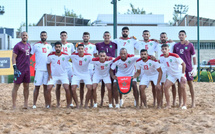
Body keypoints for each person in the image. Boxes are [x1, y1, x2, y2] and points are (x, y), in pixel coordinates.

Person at [113, 26, 138, 107]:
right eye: (123, 31)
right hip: (121, 65)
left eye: (126, 31)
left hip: (130, 63)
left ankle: (136, 101)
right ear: (121, 32)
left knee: (134, 84)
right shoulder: (117, 40)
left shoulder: (132, 40)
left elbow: (142, 43)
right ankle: (119, 100)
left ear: (128, 32)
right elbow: (108, 42)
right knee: (117, 84)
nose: (125, 33)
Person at [173, 30, 197, 108]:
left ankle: (193, 102)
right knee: (180, 85)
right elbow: (174, 57)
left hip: (188, 67)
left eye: (182, 35)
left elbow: (194, 56)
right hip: (179, 68)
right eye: (180, 35)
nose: (181, 36)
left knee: (190, 84)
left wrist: (195, 67)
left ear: (185, 36)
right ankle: (180, 102)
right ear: (178, 36)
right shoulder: (176, 45)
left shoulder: (190, 45)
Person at [135, 30, 159, 106]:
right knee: (142, 86)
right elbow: (131, 43)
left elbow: (162, 43)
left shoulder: (154, 43)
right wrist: (133, 37)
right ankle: (142, 103)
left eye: (147, 34)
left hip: (152, 64)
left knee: (154, 86)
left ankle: (155, 101)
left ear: (149, 35)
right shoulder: (139, 43)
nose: (146, 35)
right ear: (142, 35)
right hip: (143, 65)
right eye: (144, 34)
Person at [160, 44, 187, 109]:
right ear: (161, 50)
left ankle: (184, 104)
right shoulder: (161, 57)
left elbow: (183, 64)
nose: (164, 50)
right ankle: (168, 104)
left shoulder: (174, 56)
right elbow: (159, 62)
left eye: (165, 49)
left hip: (179, 73)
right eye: (163, 49)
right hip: (171, 74)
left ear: (168, 50)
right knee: (166, 87)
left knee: (183, 87)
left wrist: (183, 75)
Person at [95, 31, 117, 106]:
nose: (107, 37)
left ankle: (112, 101)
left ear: (110, 37)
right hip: (102, 66)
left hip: (111, 66)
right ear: (103, 37)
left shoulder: (114, 44)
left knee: (112, 85)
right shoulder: (99, 45)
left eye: (108, 36)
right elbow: (93, 51)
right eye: (105, 36)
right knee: (103, 85)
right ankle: (101, 100)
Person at [31, 31, 52, 109]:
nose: (43, 36)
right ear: (40, 36)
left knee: (46, 88)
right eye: (42, 35)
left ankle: (47, 104)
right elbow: (30, 55)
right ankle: (34, 104)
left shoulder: (49, 46)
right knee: (37, 87)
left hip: (47, 70)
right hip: (38, 69)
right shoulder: (36, 45)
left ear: (47, 36)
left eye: (45, 35)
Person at [53, 31, 75, 107]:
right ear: (60, 37)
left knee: (69, 86)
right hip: (59, 68)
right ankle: (58, 103)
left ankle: (70, 102)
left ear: (67, 37)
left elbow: (73, 56)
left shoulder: (71, 45)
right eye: (62, 35)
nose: (63, 37)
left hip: (68, 68)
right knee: (58, 86)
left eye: (65, 35)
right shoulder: (57, 45)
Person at [46, 42, 71, 108]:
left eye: (59, 47)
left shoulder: (66, 55)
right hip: (54, 76)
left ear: (61, 48)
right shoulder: (50, 55)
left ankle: (68, 104)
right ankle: (49, 105)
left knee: (67, 88)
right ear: (54, 48)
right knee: (48, 88)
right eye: (56, 47)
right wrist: (49, 75)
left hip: (63, 75)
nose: (58, 48)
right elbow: (48, 64)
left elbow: (73, 60)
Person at [76, 32, 97, 107]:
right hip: (81, 69)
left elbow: (95, 56)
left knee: (90, 87)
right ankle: (81, 102)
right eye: (84, 36)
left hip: (90, 68)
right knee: (81, 87)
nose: (86, 38)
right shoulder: (78, 46)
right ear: (82, 37)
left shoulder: (93, 46)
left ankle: (90, 102)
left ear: (89, 38)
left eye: (87, 36)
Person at [156, 32, 177, 107]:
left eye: (164, 37)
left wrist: (173, 41)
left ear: (167, 38)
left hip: (170, 66)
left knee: (173, 84)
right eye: (162, 37)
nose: (163, 38)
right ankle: (161, 102)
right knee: (162, 84)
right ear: (160, 38)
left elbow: (179, 43)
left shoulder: (172, 44)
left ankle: (174, 101)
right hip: (162, 65)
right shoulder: (157, 45)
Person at [12, 31, 31, 109]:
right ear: (21, 36)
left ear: (27, 37)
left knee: (26, 86)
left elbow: (30, 55)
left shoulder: (29, 46)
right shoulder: (17, 46)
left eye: (26, 35)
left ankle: (26, 104)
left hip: (27, 70)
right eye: (23, 35)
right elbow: (13, 57)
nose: (25, 36)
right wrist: (15, 67)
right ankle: (14, 105)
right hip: (19, 70)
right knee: (16, 86)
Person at [70, 44, 93, 109]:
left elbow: (95, 60)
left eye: (82, 49)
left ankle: (86, 104)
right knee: (73, 88)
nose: (80, 50)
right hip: (76, 75)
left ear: (84, 50)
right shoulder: (73, 56)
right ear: (77, 50)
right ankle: (77, 104)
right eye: (79, 49)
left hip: (86, 74)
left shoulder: (89, 56)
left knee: (90, 88)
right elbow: (64, 56)